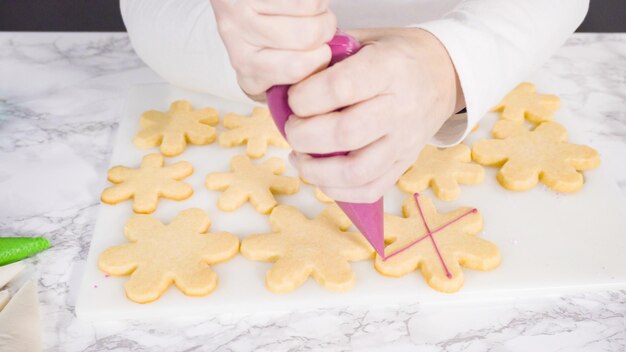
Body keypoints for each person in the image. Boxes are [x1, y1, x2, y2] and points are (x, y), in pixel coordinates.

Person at [120, 0, 588, 203]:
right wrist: (251, 54)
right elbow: (149, 11)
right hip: (225, 99)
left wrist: (450, 65)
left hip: (494, 83)